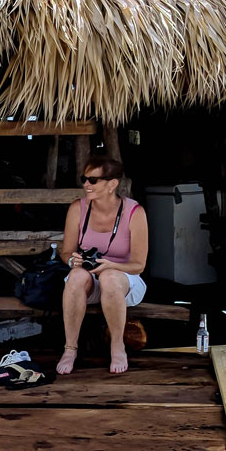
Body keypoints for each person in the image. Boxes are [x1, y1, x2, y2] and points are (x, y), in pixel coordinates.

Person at [57, 155, 149, 376]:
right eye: (84, 179)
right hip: (90, 280)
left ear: (112, 184)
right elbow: (66, 252)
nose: (86, 185)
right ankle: (70, 348)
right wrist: (73, 260)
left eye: (93, 180)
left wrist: (111, 266)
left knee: (109, 277)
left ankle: (117, 346)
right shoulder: (77, 209)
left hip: (125, 280)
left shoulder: (134, 212)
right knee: (76, 276)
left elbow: (139, 265)